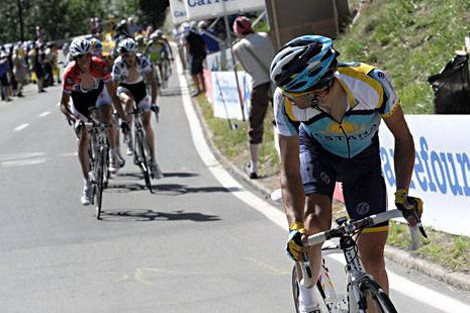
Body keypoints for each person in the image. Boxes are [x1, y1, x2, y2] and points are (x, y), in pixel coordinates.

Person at [270, 35, 423, 313]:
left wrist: (402, 192)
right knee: (314, 220)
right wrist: (294, 226)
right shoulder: (285, 100)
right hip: (317, 155)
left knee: (373, 258)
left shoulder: (371, 83)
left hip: (363, 163)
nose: (289, 100)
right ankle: (307, 298)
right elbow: (289, 171)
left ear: (317, 90)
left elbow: (404, 139)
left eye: (295, 95)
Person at [59, 37, 128, 205]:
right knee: (83, 136)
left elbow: (113, 95)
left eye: (87, 56)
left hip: (97, 95)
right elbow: (63, 105)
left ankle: (109, 151)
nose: (85, 60)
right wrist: (74, 119)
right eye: (81, 57)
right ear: (75, 58)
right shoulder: (70, 74)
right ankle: (87, 183)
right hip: (79, 102)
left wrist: (123, 118)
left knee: (106, 118)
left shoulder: (100, 66)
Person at [111, 38, 163, 179]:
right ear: (122, 56)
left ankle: (153, 160)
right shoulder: (118, 64)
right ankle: (127, 134)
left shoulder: (143, 60)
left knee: (146, 123)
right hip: (124, 88)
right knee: (128, 101)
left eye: (133, 54)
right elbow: (113, 90)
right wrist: (119, 113)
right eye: (127, 55)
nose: (131, 58)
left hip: (140, 88)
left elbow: (152, 83)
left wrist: (153, 103)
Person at [232, 16, 275, 179]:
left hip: (259, 86)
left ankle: (254, 166)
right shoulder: (265, 36)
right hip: (276, 82)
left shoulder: (237, 48)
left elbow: (247, 69)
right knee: (285, 121)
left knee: (255, 125)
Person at [184, 22, 207, 96]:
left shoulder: (188, 36)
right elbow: (204, 45)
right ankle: (203, 88)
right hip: (201, 55)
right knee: (200, 72)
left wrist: (187, 56)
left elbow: (187, 46)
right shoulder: (199, 35)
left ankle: (198, 89)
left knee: (193, 73)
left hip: (194, 55)